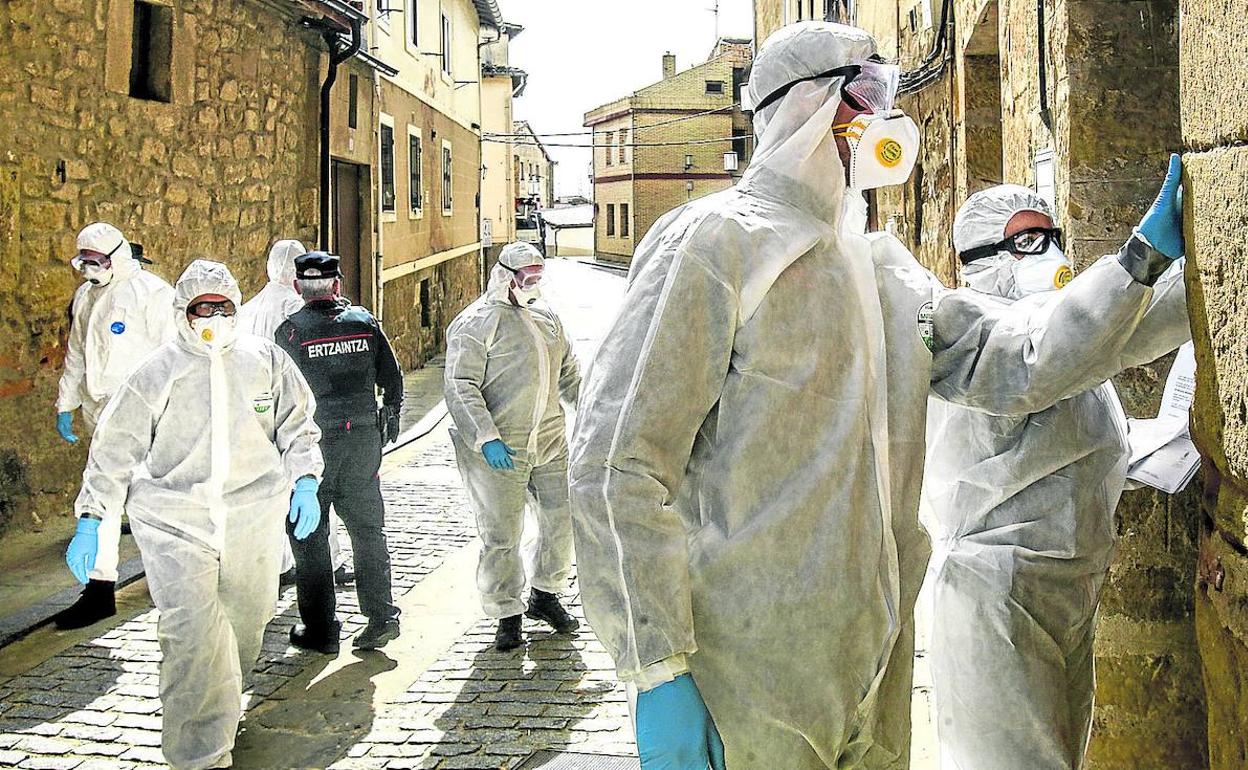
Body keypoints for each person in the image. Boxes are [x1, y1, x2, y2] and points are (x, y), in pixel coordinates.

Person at [567, 20, 1189, 770]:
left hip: (876, 669)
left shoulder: (884, 277)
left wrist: (1145, 265)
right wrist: (655, 666)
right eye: (866, 94)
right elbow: (618, 464)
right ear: (800, 108)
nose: (883, 121)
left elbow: (1020, 359)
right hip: (750, 673)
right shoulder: (713, 245)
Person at [923, 184, 1190, 770]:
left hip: (1064, 585)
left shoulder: (1068, 334)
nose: (1046, 251)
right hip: (997, 595)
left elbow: (1128, 333)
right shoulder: (974, 334)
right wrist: (1142, 256)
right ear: (980, 257)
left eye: (1050, 234)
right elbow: (1041, 361)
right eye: (1025, 239)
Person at [64, 259, 323, 770]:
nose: (214, 316)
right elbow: (113, 450)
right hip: (174, 523)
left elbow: (298, 425)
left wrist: (306, 479)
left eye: (223, 307)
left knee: (246, 627)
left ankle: (223, 706)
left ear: (236, 306)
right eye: (203, 308)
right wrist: (92, 518)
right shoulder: (156, 372)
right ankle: (197, 755)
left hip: (252, 517)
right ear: (184, 312)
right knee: (191, 637)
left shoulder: (264, 360)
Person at [444, 241, 581, 652]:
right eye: (527, 277)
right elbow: (460, 384)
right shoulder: (476, 323)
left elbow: (570, 374)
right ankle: (506, 612)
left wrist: (592, 414)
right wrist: (486, 437)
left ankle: (545, 593)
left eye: (539, 276)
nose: (533, 284)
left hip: (550, 442)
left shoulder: (547, 318)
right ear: (506, 275)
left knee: (562, 519)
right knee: (502, 532)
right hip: (499, 448)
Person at [276, 251, 404, 653]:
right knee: (368, 530)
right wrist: (390, 414)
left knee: (310, 535)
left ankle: (321, 630)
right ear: (337, 284)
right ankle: (381, 616)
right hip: (363, 440)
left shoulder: (290, 333)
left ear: (298, 287)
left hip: (314, 446)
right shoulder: (363, 324)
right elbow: (392, 377)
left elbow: (279, 395)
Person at [54, 222, 175, 630]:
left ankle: (174, 579)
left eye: (98, 261)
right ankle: (99, 587)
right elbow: (77, 352)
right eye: (84, 262)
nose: (90, 269)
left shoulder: (153, 294)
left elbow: (174, 354)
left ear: (118, 256)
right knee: (100, 496)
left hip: (146, 412)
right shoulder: (86, 296)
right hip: (101, 409)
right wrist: (66, 402)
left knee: (156, 498)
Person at [238, 239, 352, 587]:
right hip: (299, 409)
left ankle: (280, 563)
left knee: (272, 490)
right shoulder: (297, 308)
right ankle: (328, 563)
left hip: (257, 413)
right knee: (313, 488)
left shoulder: (249, 306)